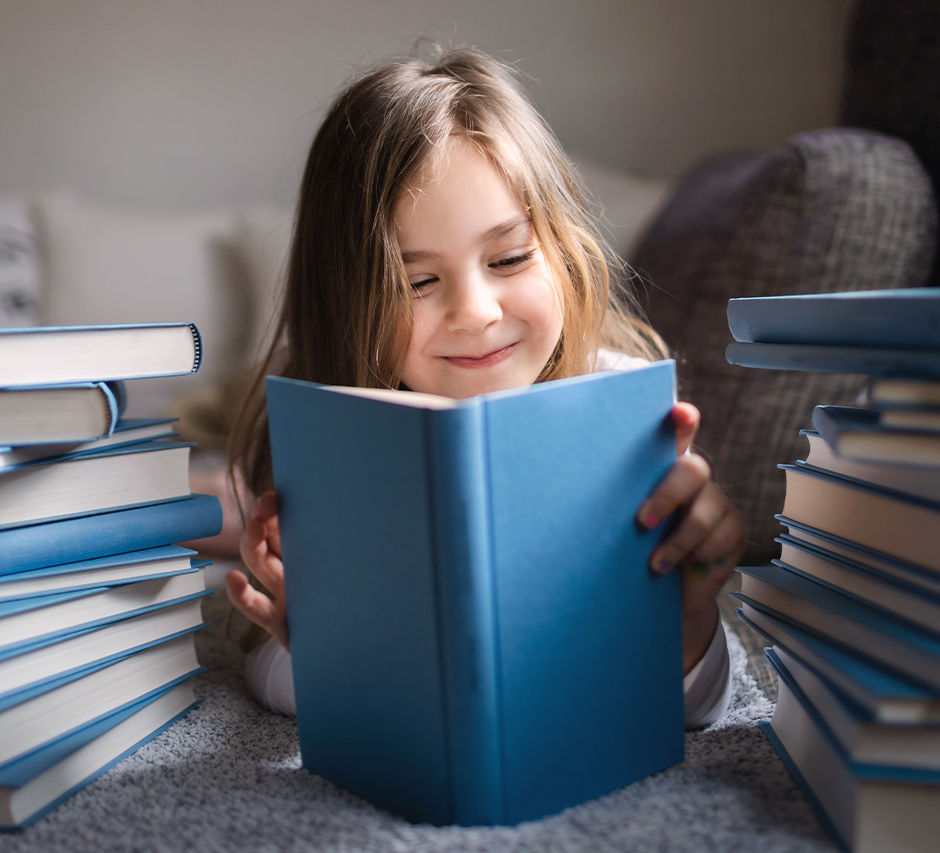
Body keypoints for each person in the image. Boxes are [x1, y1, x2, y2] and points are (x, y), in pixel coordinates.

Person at [226, 47, 745, 727]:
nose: (476, 311)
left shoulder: (618, 411)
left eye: (508, 257)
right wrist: (333, 653)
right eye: (416, 281)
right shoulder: (330, 438)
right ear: (345, 300)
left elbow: (701, 707)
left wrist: (690, 622)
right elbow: (264, 663)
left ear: (561, 249)